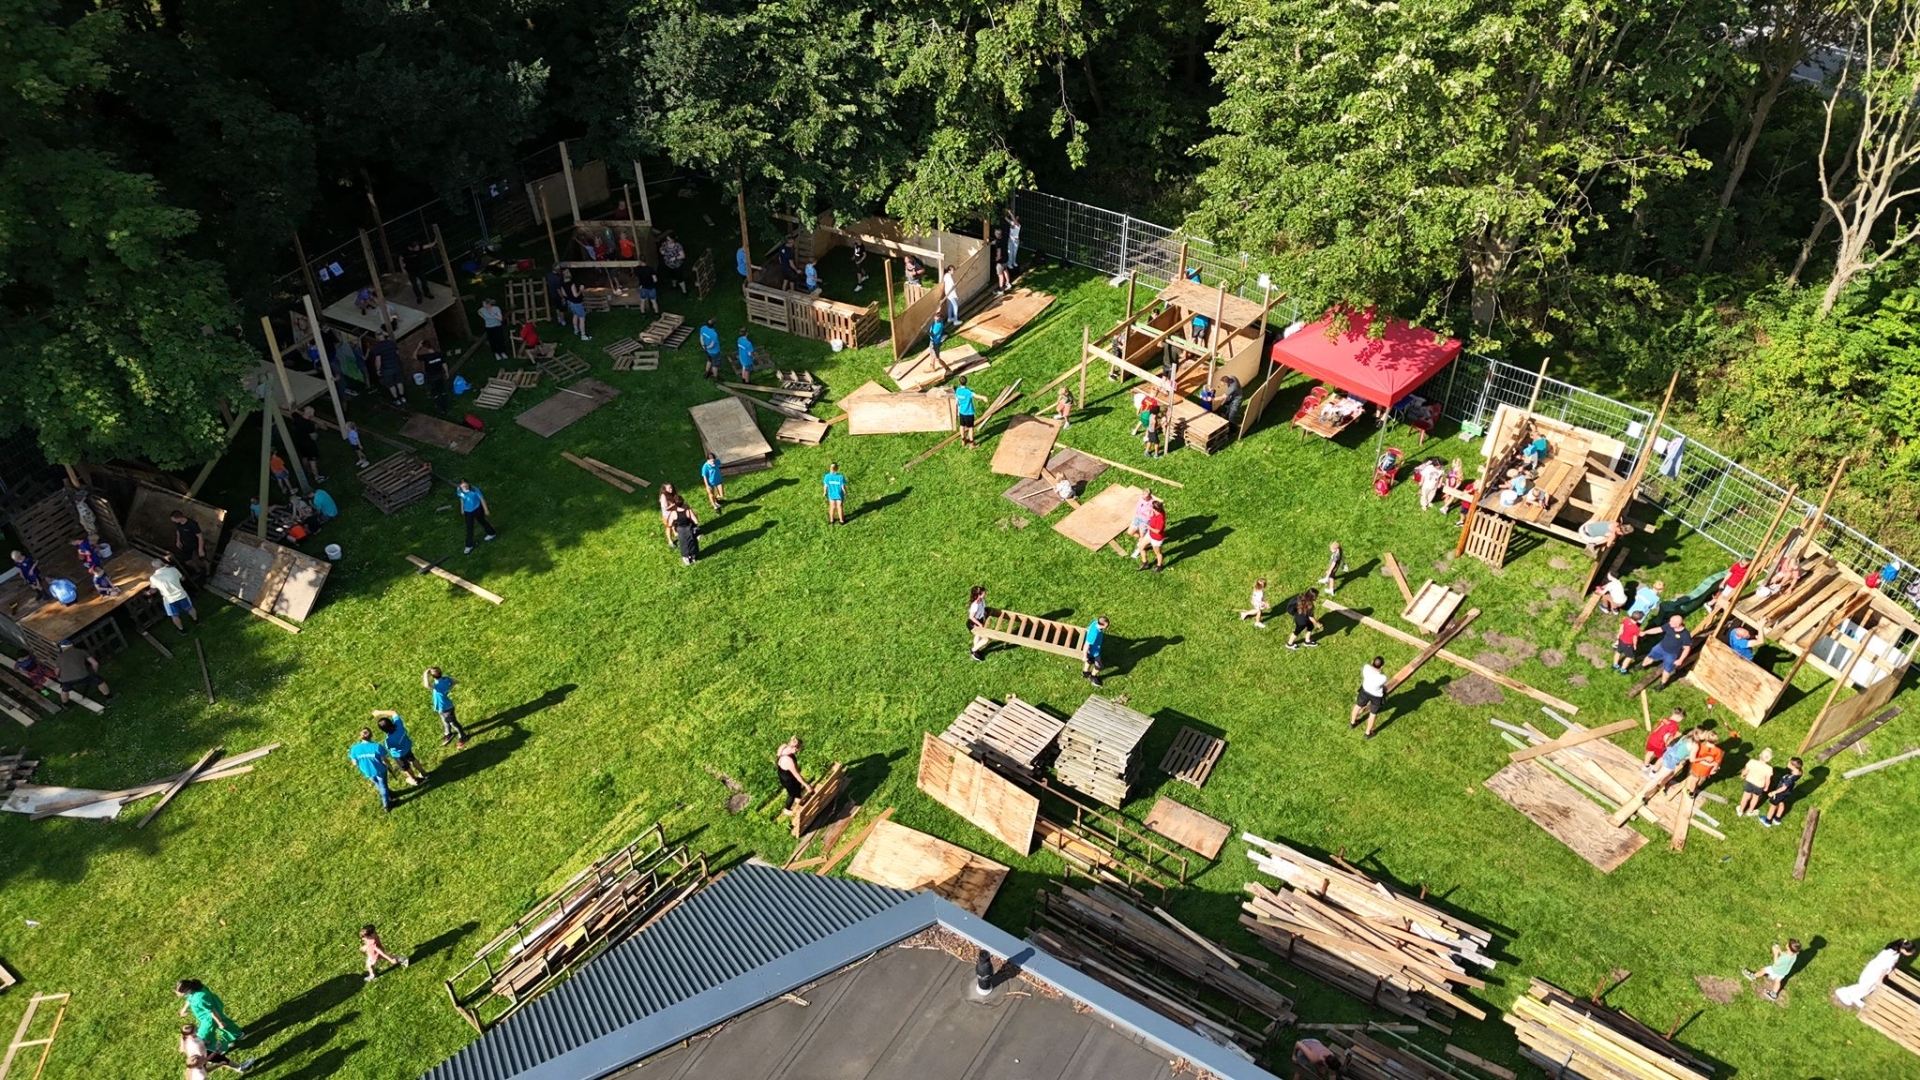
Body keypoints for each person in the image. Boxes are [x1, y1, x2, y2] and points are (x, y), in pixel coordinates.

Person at [175, 980, 252, 1073]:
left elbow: (211, 1011)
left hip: (209, 1020)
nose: (179, 995)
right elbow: (189, 999)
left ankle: (219, 1049)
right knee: (225, 1024)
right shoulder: (195, 990)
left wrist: (219, 1022)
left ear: (187, 989)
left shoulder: (200, 998)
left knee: (203, 1037)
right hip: (211, 1014)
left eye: (180, 993)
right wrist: (184, 1008)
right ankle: (238, 1034)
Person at [1836, 940, 1916, 1008]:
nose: (1911, 954)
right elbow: (1885, 968)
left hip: (1877, 968)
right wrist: (1880, 979)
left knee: (1871, 987)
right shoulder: (1891, 955)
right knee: (1865, 985)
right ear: (1904, 949)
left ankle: (1855, 997)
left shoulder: (1895, 950)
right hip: (1875, 971)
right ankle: (1843, 992)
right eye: (1911, 952)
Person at [1638, 614, 1695, 686]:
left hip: (1671, 654)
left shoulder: (1685, 635)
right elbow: (1658, 629)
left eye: (1671, 622)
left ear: (1677, 625)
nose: (1669, 622)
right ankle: (1642, 666)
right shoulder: (1669, 625)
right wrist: (1645, 632)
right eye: (1670, 621)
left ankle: (1662, 684)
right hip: (1660, 647)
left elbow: (1687, 648)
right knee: (1650, 657)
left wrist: (1680, 659)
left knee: (1667, 670)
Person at [375, 712, 428, 786]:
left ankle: (415, 780)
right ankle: (424, 773)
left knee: (406, 768)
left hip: (399, 755)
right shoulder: (399, 725)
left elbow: (389, 748)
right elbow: (393, 713)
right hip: (407, 747)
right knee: (413, 759)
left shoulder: (388, 740)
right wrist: (379, 712)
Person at [349, 727, 393, 812]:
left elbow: (355, 763)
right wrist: (390, 766)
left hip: (367, 771)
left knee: (377, 783)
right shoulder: (377, 747)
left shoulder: (354, 749)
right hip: (380, 770)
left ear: (360, 736)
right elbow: (384, 760)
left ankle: (389, 794)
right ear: (371, 735)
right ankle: (386, 804)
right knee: (383, 785)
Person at [54, 638, 110, 704]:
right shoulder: (81, 651)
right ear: (72, 645)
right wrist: (94, 673)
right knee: (100, 682)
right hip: (82, 675)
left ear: (62, 648)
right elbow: (95, 663)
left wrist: (59, 678)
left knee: (65, 690)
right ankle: (109, 697)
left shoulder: (60, 657)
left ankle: (65, 705)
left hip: (66, 679)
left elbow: (57, 671)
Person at [150, 558, 197, 631]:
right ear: (162, 563)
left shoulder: (153, 578)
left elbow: (153, 590)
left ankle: (182, 630)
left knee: (174, 616)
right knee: (190, 608)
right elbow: (183, 579)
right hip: (181, 595)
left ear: (154, 567)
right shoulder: (173, 569)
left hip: (169, 600)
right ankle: (196, 620)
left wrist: (148, 592)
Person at [424, 667, 467, 748]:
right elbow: (455, 681)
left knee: (453, 723)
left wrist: (425, 673)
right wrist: (450, 688)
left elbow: (427, 685)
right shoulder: (446, 679)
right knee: (444, 721)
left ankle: (463, 736)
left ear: (432, 676)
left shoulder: (437, 685)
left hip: (446, 708)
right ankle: (448, 734)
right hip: (442, 707)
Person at [454, 480, 497, 555]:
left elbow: (482, 499)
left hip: (477, 509)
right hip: (468, 511)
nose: (465, 487)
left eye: (466, 485)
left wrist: (486, 510)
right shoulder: (459, 490)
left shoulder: (474, 490)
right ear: (460, 486)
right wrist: (462, 508)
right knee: (469, 527)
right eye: (463, 486)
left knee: (482, 521)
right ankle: (468, 545)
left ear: (468, 484)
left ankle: (492, 533)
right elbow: (461, 498)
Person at [1760, 756, 1803, 828]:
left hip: (1780, 792)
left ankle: (1767, 821)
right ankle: (1777, 819)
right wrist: (1792, 760)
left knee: (1773, 806)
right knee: (1781, 803)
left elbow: (1783, 788)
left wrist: (1774, 792)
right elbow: (1794, 764)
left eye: (1789, 762)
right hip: (1787, 792)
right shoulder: (1799, 772)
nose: (1788, 762)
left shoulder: (1790, 778)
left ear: (1793, 766)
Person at [1352, 656, 1388, 738]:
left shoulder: (1366, 667)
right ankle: (1368, 733)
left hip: (1364, 691)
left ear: (1372, 661)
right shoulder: (1383, 677)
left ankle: (1353, 722)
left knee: (1357, 706)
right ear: (1382, 666)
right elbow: (1382, 686)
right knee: (1373, 713)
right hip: (1376, 696)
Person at [775, 736, 810, 814]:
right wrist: (807, 785)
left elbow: (777, 756)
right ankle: (786, 810)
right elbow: (797, 776)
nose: (798, 751)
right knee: (792, 794)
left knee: (797, 785)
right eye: (798, 750)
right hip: (787, 779)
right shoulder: (788, 760)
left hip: (784, 773)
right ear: (795, 748)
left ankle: (798, 798)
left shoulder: (784, 746)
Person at [1736, 747, 1775, 818]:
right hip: (1759, 785)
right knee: (1755, 798)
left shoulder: (1752, 762)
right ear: (1769, 759)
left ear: (1760, 755)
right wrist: (1766, 787)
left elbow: (1746, 770)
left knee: (1745, 796)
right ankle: (1750, 811)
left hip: (1749, 782)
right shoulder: (1769, 769)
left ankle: (1740, 811)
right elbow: (1768, 780)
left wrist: (1742, 775)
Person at [290, 406, 324, 483]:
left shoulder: (297, 418)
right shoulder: (309, 424)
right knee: (312, 461)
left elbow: (292, 412)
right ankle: (317, 477)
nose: (313, 414)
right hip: (309, 445)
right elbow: (313, 437)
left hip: (299, 443)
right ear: (309, 413)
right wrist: (316, 431)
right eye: (312, 413)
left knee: (304, 457)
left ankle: (308, 471)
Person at [1643, 708, 1683, 773]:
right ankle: (1654, 772)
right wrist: (1668, 745)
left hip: (1652, 738)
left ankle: (1646, 766)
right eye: (1681, 719)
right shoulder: (1674, 725)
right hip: (1659, 743)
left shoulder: (1665, 719)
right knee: (1662, 757)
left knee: (1650, 752)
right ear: (1679, 717)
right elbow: (1667, 736)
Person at [1685, 730, 1725, 796]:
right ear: (1716, 740)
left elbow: (1695, 758)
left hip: (1696, 767)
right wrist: (1713, 769)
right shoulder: (1718, 751)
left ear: (1706, 738)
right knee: (1700, 781)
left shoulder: (1700, 746)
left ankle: (1691, 792)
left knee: (1694, 780)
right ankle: (1695, 788)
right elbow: (1717, 762)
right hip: (1706, 770)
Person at [1133, 498, 1167, 573]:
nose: (1150, 507)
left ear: (1156, 509)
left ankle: (1159, 566)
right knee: (1141, 547)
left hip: (1156, 538)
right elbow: (1152, 516)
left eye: (1152, 506)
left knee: (1158, 553)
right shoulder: (1156, 512)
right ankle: (1145, 563)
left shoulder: (1160, 518)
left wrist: (1149, 527)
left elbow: (1158, 531)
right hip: (1150, 535)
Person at [416, 339, 450, 413]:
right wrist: (447, 372)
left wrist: (418, 347)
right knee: (442, 391)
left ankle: (440, 409)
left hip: (432, 378)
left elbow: (413, 356)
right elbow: (444, 364)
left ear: (424, 348)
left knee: (436, 393)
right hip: (440, 375)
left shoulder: (426, 357)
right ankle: (446, 407)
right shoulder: (439, 354)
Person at [370, 334, 405, 405]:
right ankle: (402, 397)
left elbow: (378, 360)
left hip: (387, 369)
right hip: (396, 366)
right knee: (399, 382)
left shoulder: (377, 347)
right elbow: (397, 353)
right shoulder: (391, 343)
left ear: (376, 338)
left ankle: (397, 399)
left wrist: (378, 370)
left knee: (391, 385)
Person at [402, 237, 435, 302]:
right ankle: (418, 296)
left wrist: (435, 241)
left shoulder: (419, 248)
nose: (418, 248)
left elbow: (429, 245)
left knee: (424, 282)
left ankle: (427, 293)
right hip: (410, 270)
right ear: (411, 247)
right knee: (414, 284)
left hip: (420, 269)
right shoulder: (405, 251)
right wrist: (403, 269)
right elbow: (401, 258)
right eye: (416, 248)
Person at [670, 499, 701, 566]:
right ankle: (694, 556)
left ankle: (686, 558)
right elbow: (695, 521)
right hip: (689, 529)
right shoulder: (688, 511)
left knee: (683, 544)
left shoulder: (673, 513)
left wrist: (674, 530)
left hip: (680, 531)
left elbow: (670, 524)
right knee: (692, 542)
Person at [563, 271, 590, 339]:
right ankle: (583, 335)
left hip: (570, 302)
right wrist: (581, 290)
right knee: (582, 318)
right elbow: (575, 295)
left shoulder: (563, 284)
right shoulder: (572, 284)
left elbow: (564, 294)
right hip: (576, 303)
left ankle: (576, 330)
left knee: (575, 315)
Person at [1083, 616, 1108, 687]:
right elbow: (1086, 645)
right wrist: (1085, 656)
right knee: (1100, 666)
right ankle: (1092, 676)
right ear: (1101, 624)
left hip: (1092, 651)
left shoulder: (1095, 622)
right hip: (1094, 652)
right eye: (1106, 625)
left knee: (1089, 660)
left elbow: (1088, 628)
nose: (1107, 626)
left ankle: (1085, 673)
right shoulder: (1094, 633)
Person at [967, 585, 991, 661]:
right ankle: (973, 651)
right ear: (979, 595)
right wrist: (980, 624)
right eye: (984, 593)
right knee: (986, 639)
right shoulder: (975, 605)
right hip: (973, 624)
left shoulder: (981, 600)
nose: (985, 594)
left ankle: (975, 651)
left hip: (980, 620)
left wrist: (984, 612)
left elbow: (982, 608)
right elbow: (971, 617)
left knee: (978, 636)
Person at [954, 376, 978, 448]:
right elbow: (976, 395)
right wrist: (984, 397)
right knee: (970, 428)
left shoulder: (958, 390)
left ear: (959, 382)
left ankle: (963, 440)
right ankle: (971, 444)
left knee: (962, 426)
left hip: (962, 412)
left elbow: (956, 401)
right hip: (969, 413)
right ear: (966, 382)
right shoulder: (968, 392)